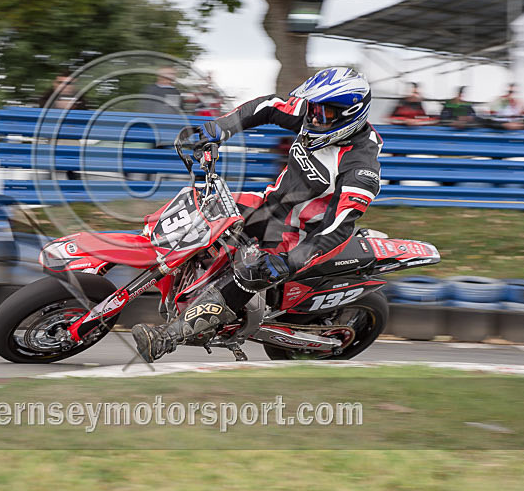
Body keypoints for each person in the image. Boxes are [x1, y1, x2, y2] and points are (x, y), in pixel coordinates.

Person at [132, 67, 383, 362]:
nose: (313, 117)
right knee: (202, 205)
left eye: (323, 112)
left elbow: (337, 228)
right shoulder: (314, 118)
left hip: (301, 235)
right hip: (269, 204)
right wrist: (219, 128)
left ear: (349, 115)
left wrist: (290, 261)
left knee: (250, 273)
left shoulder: (360, 169)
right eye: (313, 108)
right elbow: (267, 107)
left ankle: (168, 337)